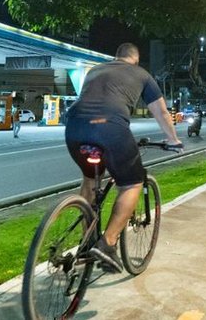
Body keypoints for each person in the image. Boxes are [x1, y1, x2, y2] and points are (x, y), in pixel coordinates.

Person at [64, 42, 183, 273]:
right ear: (135, 60)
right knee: (131, 183)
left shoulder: (95, 70)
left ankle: (86, 241)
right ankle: (107, 244)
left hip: (74, 128)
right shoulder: (141, 74)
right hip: (110, 128)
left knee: (90, 179)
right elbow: (160, 112)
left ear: (116, 57)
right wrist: (173, 140)